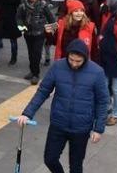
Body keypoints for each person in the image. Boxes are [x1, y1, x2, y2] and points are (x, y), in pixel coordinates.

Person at [18, 39, 108, 173]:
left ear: (85, 57)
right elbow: (43, 91)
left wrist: (99, 128)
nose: (74, 64)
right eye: (71, 59)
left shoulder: (97, 72)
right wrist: (27, 113)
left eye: (78, 61)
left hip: (81, 127)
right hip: (58, 123)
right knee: (50, 159)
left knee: (76, 165)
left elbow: (103, 101)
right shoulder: (58, 67)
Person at [17, 0, 56, 85]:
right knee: (30, 53)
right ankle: (32, 71)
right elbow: (19, 18)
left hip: (40, 33)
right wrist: (21, 27)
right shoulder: (23, 6)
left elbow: (51, 18)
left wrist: (52, 29)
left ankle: (36, 74)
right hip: (28, 33)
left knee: (36, 53)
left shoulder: (43, 5)